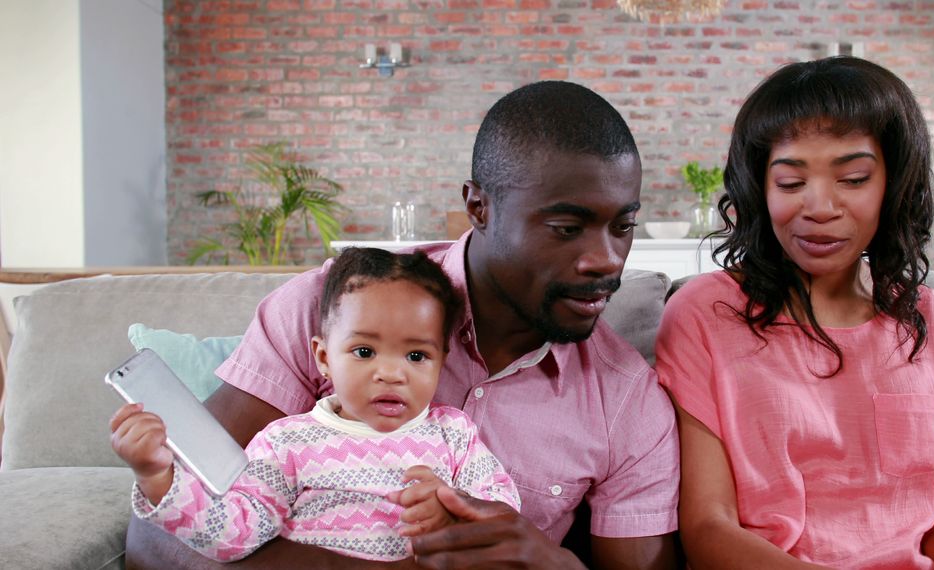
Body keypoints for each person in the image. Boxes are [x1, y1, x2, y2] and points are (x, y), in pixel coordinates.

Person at [125, 80, 680, 569]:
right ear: (478, 207)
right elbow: (157, 541)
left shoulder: (628, 399)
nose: (606, 259)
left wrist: (550, 564)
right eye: (566, 227)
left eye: (623, 226)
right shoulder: (329, 310)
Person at [656, 56, 934, 570]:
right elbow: (707, 528)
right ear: (759, 191)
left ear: (892, 185)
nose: (820, 207)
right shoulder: (705, 315)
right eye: (790, 183)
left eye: (853, 179)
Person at [110, 248, 521, 562]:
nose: (392, 373)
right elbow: (234, 533)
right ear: (323, 357)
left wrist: (453, 509)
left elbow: (504, 510)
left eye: (416, 356)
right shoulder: (287, 441)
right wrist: (157, 476)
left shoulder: (454, 434)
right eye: (364, 351)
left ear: (440, 362)